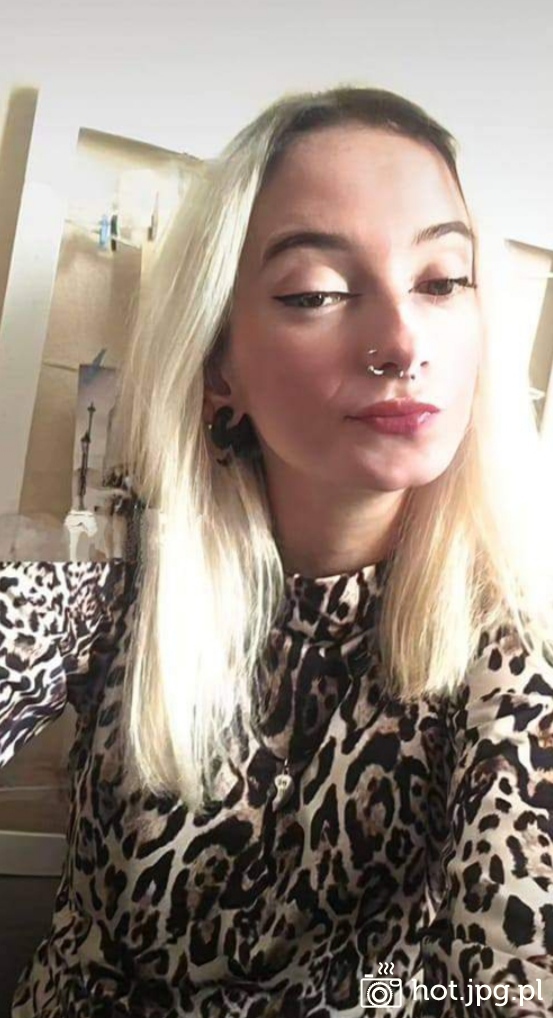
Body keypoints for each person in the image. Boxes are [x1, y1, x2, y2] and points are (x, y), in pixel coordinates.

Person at [1, 86, 553, 1018]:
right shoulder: (119, 574)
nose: (400, 342)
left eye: (440, 281)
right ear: (220, 365)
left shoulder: (514, 649)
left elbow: (509, 971)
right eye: (316, 294)